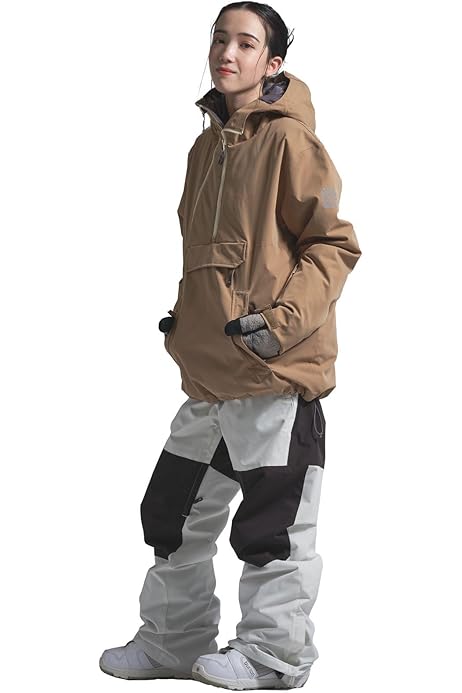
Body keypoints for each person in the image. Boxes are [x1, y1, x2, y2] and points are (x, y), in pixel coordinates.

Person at [99, 2, 362, 689]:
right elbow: (213, 259)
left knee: (273, 527)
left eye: (246, 43)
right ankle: (174, 641)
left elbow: (333, 246)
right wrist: (186, 319)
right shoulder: (206, 148)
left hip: (274, 373)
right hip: (210, 374)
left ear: (272, 63)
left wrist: (278, 323)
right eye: (220, 39)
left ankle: (274, 658)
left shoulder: (291, 143)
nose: (227, 52)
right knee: (172, 513)